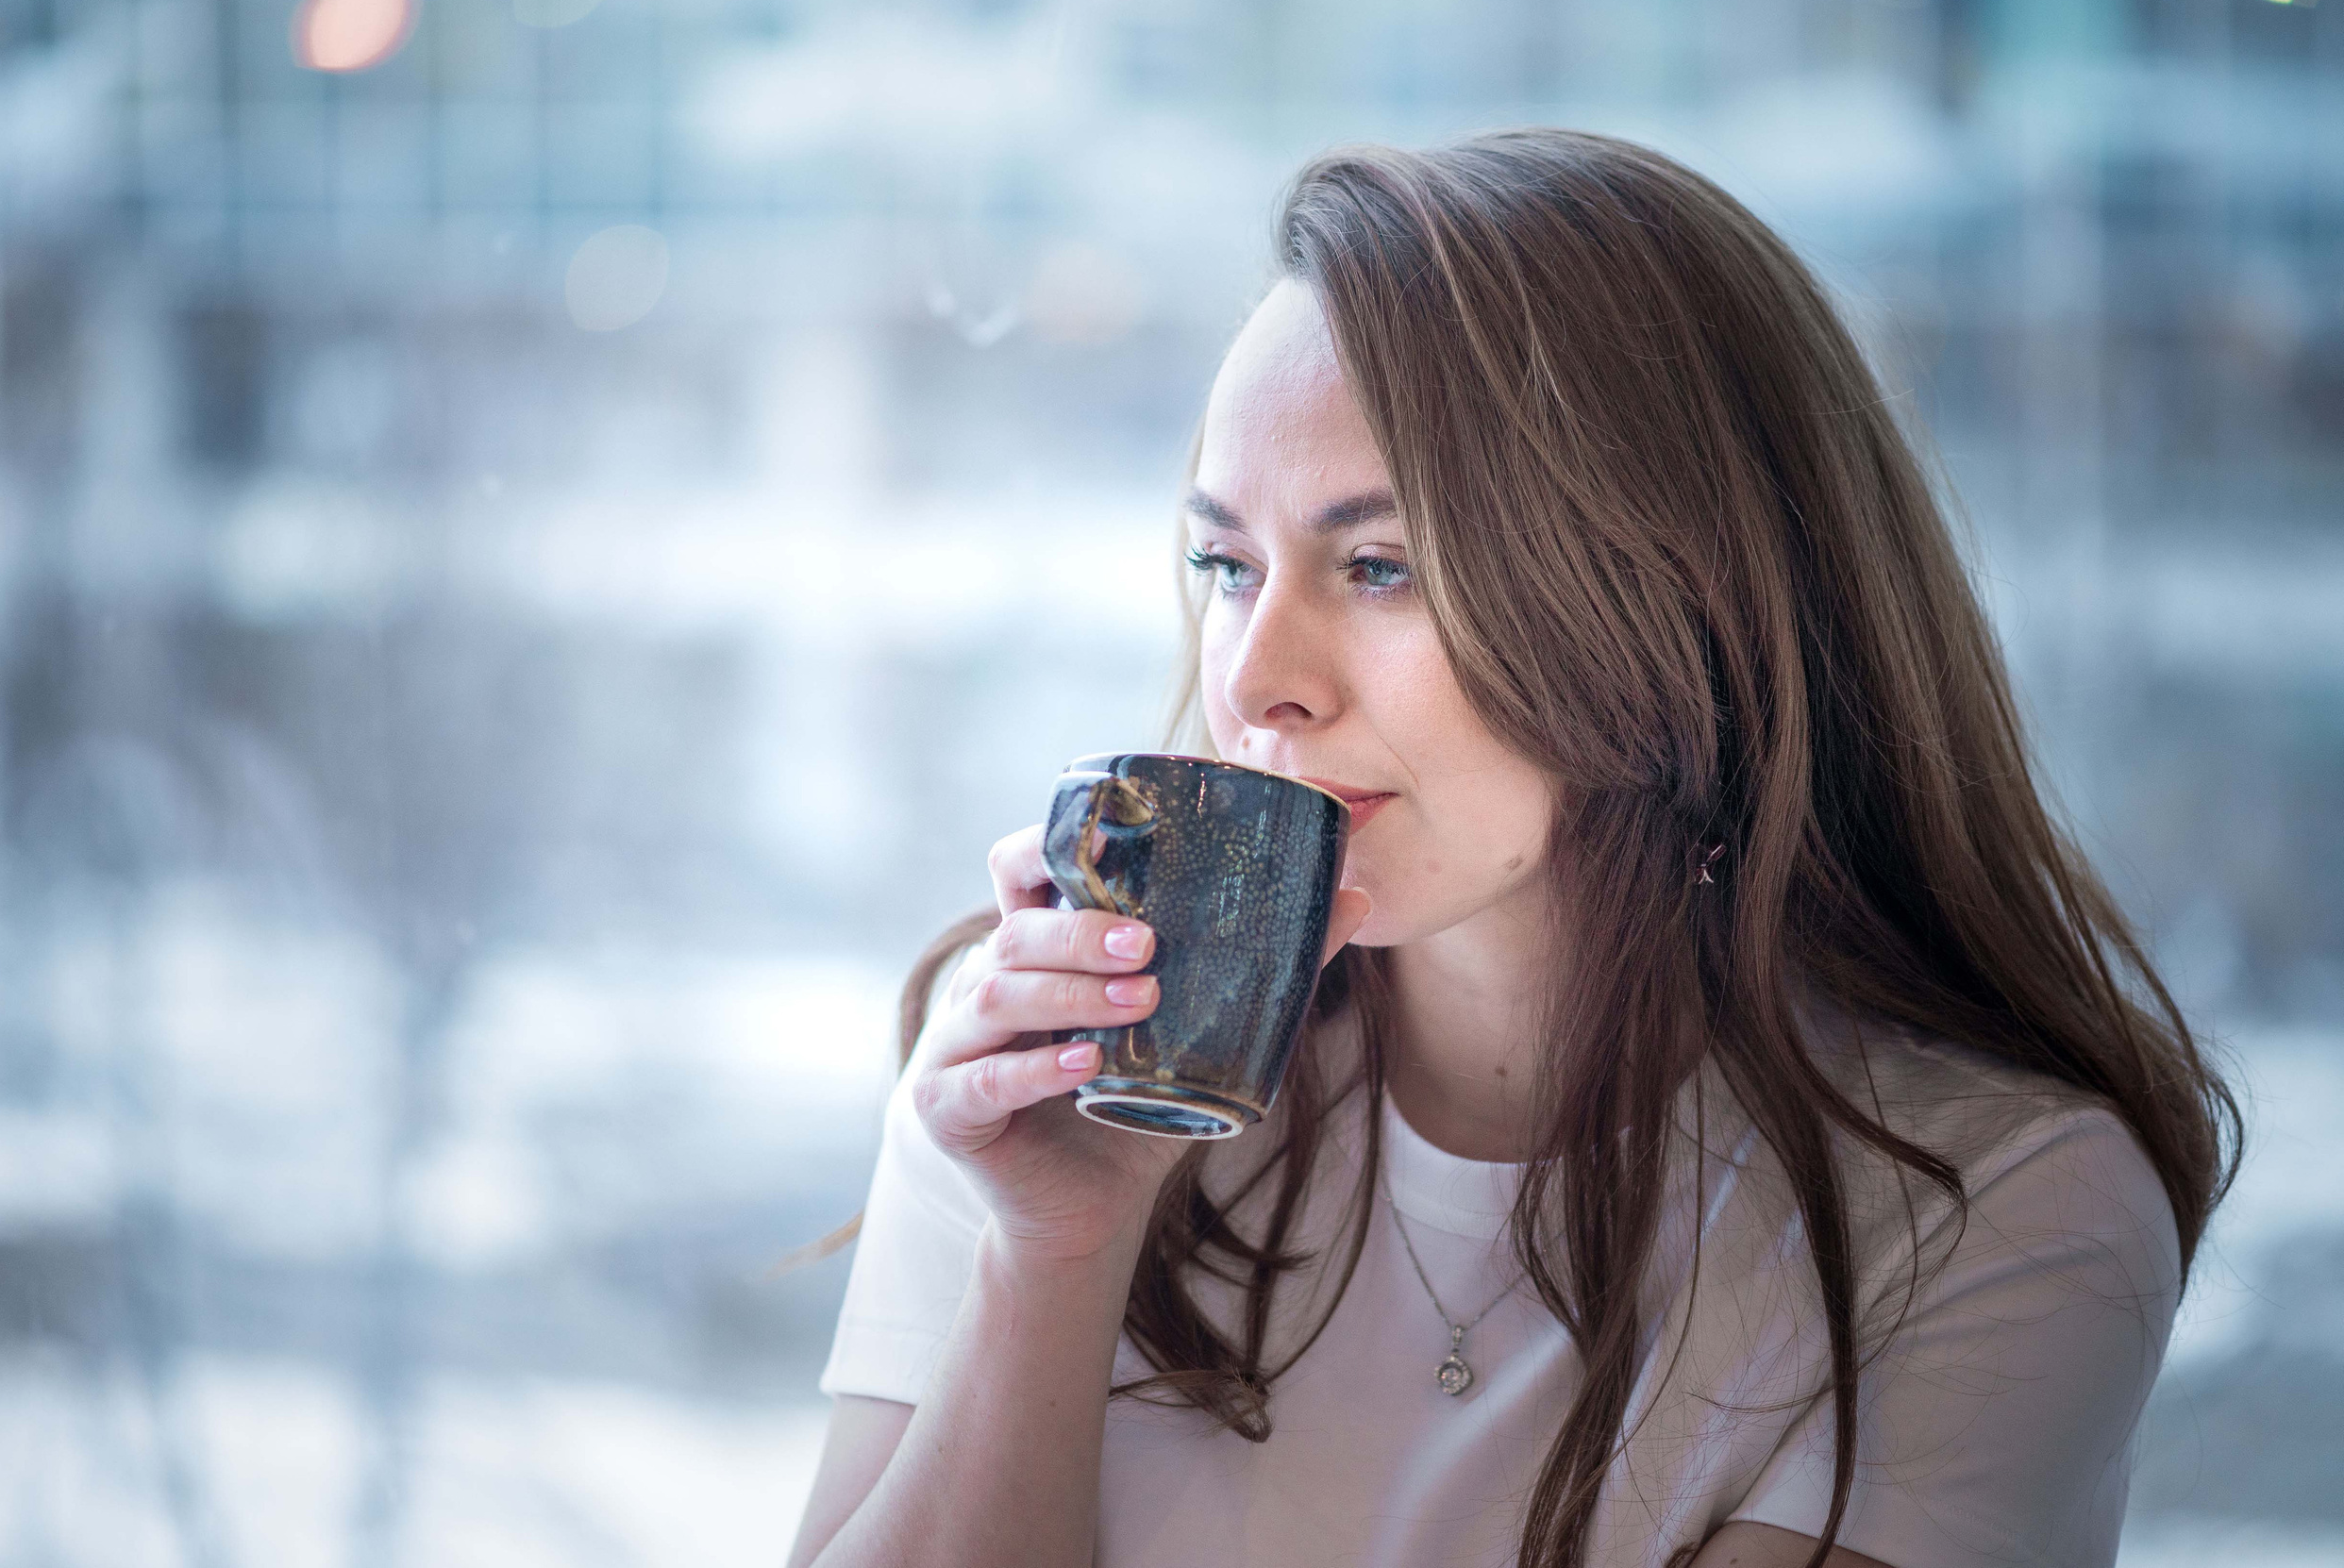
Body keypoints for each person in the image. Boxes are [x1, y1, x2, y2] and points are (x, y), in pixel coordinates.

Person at [785, 129, 2239, 1568]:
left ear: (1684, 605)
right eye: (1226, 564)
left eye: (1381, 565)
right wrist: (1051, 1258)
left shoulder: (1990, 1200)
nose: (1254, 679)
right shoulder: (1040, 1077)